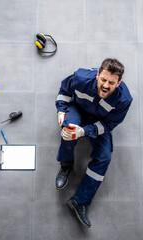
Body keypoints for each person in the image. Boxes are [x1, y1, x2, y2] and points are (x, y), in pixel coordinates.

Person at [55, 58, 133, 227]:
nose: (105, 85)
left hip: (100, 121)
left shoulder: (124, 100)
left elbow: (108, 124)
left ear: (119, 83)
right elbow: (64, 90)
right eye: (103, 79)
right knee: (68, 130)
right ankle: (66, 165)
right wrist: (61, 110)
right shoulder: (81, 77)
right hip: (77, 108)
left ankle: (80, 200)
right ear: (97, 75)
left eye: (111, 83)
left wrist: (85, 131)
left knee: (104, 158)